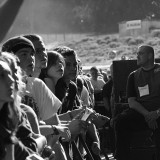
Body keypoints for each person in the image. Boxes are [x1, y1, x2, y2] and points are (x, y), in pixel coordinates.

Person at [114, 45, 160, 160]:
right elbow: (132, 102)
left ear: (150, 56)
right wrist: (147, 115)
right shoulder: (133, 75)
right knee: (121, 120)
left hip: (159, 112)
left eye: (141, 53)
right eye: (137, 53)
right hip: (142, 113)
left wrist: (157, 113)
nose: (137, 56)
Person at [0, 53, 47, 160]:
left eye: (13, 72)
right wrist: (43, 139)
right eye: (1, 75)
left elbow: (23, 153)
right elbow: (28, 150)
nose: (12, 79)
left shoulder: (7, 121)